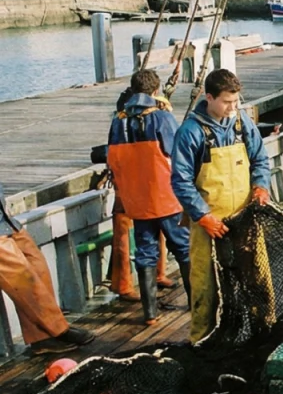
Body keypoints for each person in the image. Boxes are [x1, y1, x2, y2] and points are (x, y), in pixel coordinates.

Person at [170, 69, 273, 343]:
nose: (233, 107)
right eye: (227, 102)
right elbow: (180, 181)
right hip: (208, 225)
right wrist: (203, 217)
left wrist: (261, 187)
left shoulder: (242, 123)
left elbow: (261, 160)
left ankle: (265, 334)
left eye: (236, 101)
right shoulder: (190, 132)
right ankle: (200, 341)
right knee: (205, 286)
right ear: (209, 97)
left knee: (258, 278)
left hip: (245, 219)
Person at [105, 69, 190, 326]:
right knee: (184, 248)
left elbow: (112, 158)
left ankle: (150, 314)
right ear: (156, 91)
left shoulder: (118, 121)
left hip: (136, 200)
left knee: (145, 252)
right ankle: (197, 302)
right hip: (165, 197)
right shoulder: (161, 117)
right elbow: (177, 152)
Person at [0, 181, 95, 355]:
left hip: (5, 221)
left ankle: (41, 337)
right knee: (21, 277)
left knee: (36, 263)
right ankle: (58, 329)